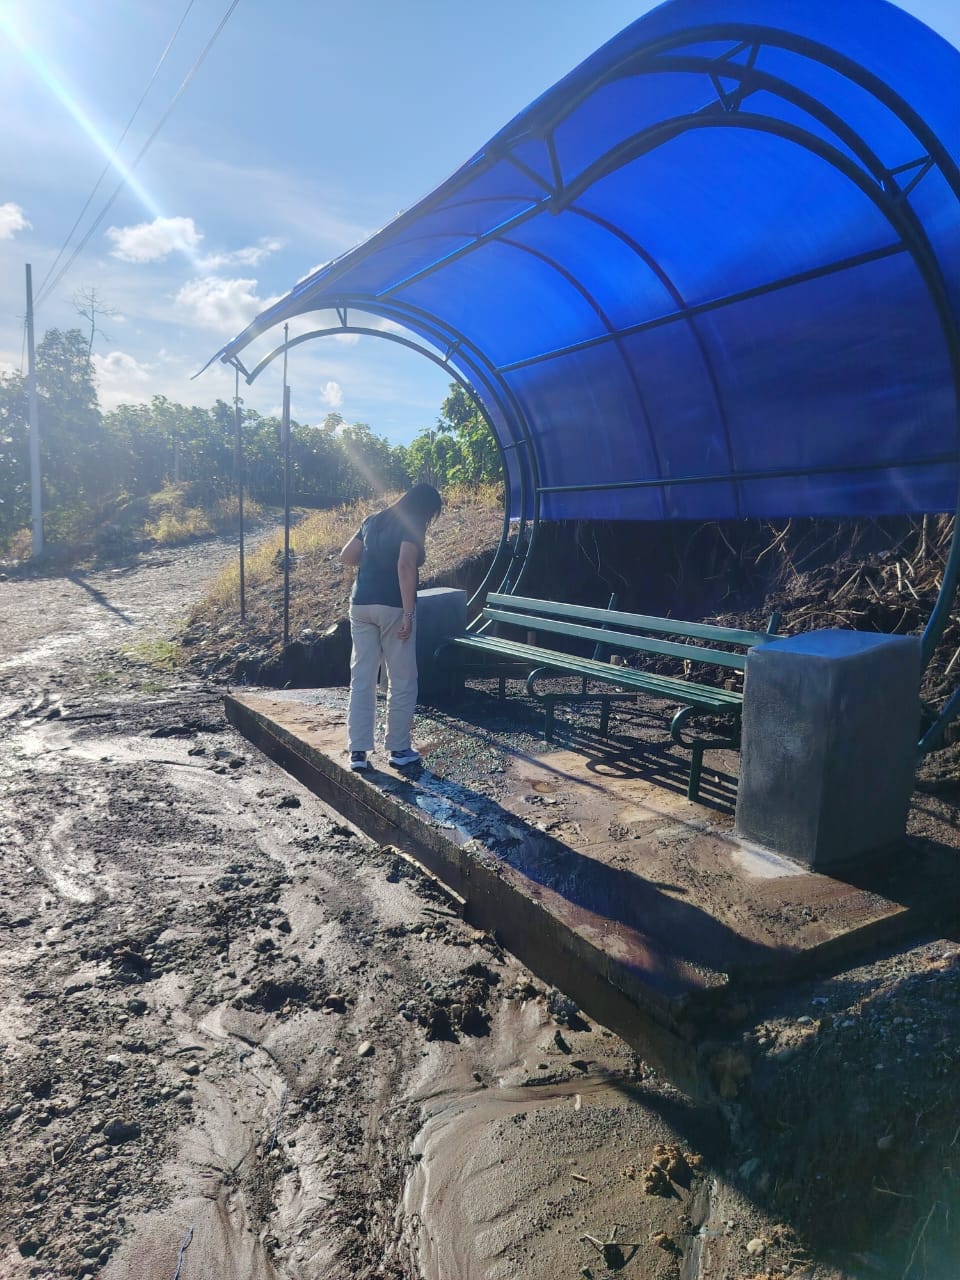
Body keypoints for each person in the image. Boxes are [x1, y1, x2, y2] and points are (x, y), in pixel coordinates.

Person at [339, 483, 443, 771]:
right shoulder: (412, 524)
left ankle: (358, 752)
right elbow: (405, 566)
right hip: (392, 607)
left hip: (361, 605)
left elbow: (346, 556)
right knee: (402, 678)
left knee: (362, 678)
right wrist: (408, 614)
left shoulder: (373, 520)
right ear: (426, 508)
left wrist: (373, 562)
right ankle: (398, 749)